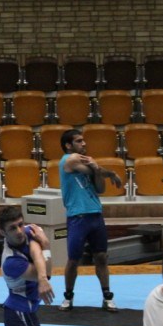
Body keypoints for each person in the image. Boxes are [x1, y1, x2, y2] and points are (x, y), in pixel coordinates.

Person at [57, 128, 123, 312]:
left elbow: (100, 189)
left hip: (95, 214)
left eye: (83, 140)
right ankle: (68, 296)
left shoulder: (88, 161)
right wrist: (108, 172)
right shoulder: (69, 159)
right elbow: (95, 171)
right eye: (79, 141)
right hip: (77, 217)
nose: (84, 143)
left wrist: (97, 170)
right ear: (68, 145)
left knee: (101, 257)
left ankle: (107, 296)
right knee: (73, 260)